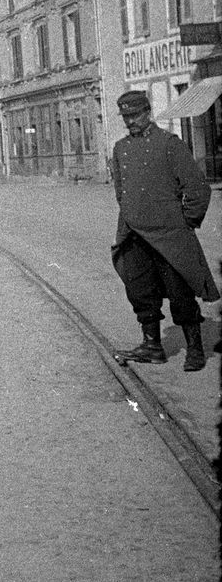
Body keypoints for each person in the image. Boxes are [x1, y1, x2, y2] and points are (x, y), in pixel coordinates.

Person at [110, 90, 219, 371]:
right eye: (126, 117)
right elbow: (120, 190)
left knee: (180, 292)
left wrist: (185, 223)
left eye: (135, 115)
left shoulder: (170, 144)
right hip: (134, 235)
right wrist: (134, 213)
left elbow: (197, 189)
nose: (131, 121)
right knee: (140, 291)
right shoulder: (120, 149)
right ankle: (152, 346)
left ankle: (195, 350)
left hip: (170, 236)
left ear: (148, 112)